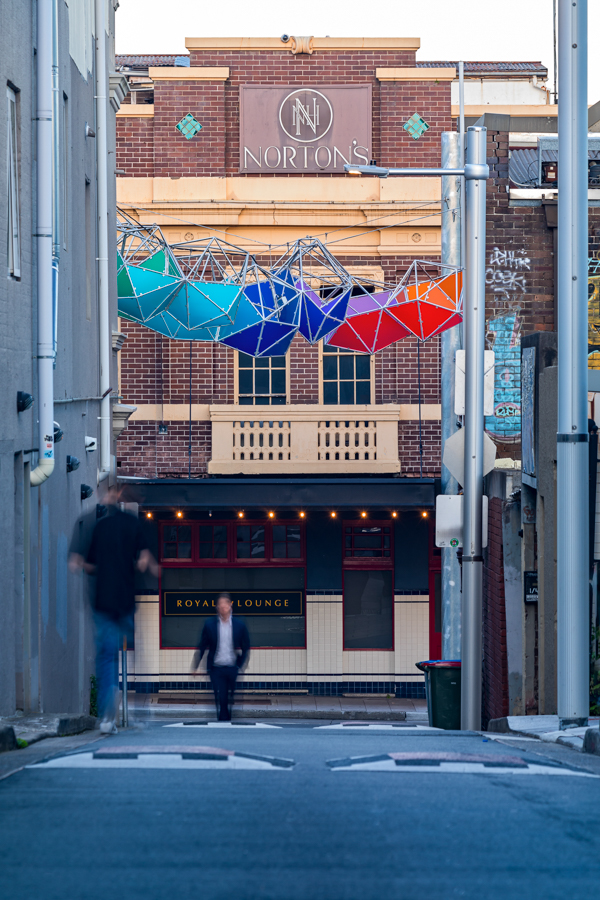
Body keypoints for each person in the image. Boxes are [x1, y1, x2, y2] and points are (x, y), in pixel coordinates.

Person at [69, 485, 159, 733]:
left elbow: (86, 565)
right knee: (135, 653)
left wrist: (85, 565)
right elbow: (142, 562)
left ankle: (108, 715)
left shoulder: (96, 526)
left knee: (106, 657)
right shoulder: (134, 525)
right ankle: (140, 709)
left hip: (103, 602)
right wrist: (146, 565)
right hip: (125, 601)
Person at [191, 593, 250, 721]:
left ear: (230, 606)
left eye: (225, 604)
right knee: (221, 694)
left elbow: (246, 646)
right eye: (220, 604)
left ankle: (226, 713)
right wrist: (195, 665)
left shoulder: (239, 624)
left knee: (231, 694)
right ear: (217, 607)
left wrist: (241, 664)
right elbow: (202, 645)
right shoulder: (210, 624)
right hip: (216, 667)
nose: (223, 607)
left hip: (232, 666)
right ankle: (223, 717)